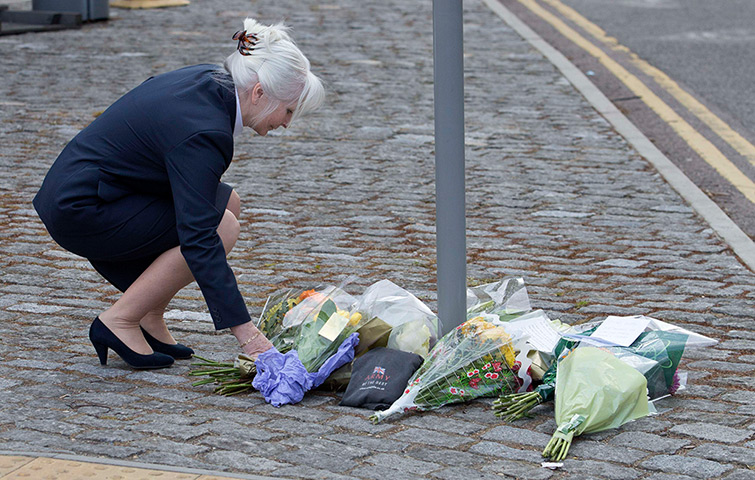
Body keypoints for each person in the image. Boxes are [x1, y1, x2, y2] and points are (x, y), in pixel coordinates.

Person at [33, 18, 325, 369]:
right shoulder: (205, 132)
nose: (287, 123)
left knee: (228, 203)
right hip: (82, 208)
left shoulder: (209, 82)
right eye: (289, 110)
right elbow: (199, 236)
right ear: (259, 92)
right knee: (222, 228)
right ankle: (120, 319)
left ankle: (148, 313)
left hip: (94, 190)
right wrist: (248, 336)